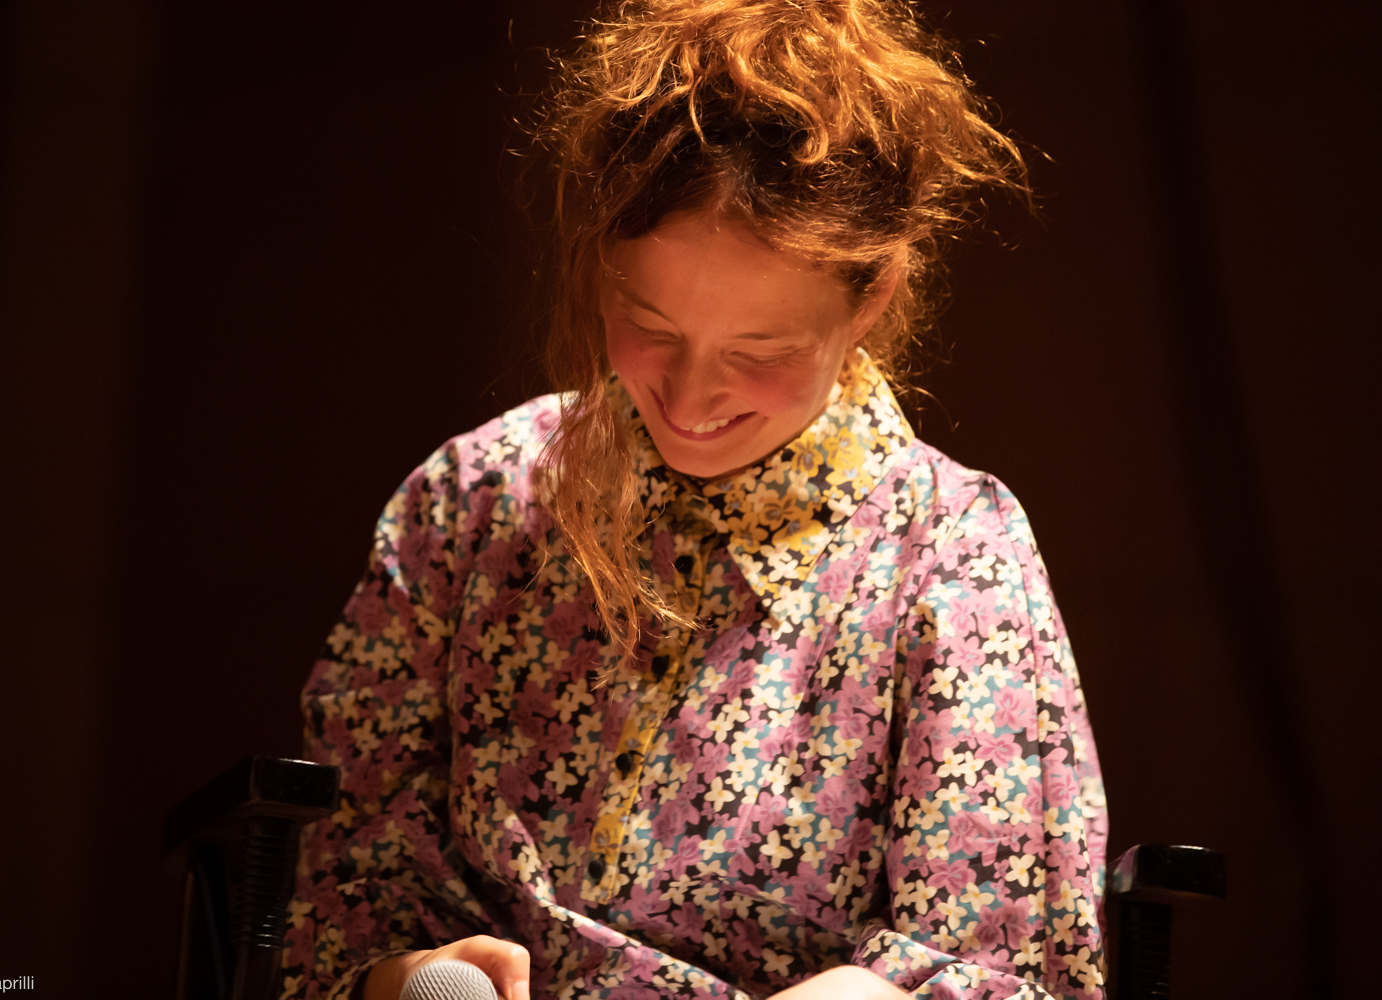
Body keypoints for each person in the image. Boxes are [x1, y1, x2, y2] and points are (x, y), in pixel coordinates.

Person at [279, 1, 1107, 998]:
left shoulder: (953, 553)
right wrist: (411, 977)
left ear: (873, 297)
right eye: (652, 326)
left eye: (760, 351)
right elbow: (331, 902)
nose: (689, 396)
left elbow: (995, 965)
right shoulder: (474, 502)